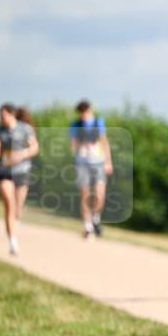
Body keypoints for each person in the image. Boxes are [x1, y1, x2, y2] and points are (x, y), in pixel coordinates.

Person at [0, 103, 39, 254]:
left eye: (3, 116)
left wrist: (22, 155)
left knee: (18, 210)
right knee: (9, 205)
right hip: (4, 171)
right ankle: (12, 241)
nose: (2, 119)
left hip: (22, 171)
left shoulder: (25, 129)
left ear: (12, 115)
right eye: (0, 117)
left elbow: (35, 148)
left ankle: (14, 230)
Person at [69, 101, 112, 239]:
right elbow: (73, 147)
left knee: (100, 195)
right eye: (82, 112)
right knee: (85, 195)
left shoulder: (98, 123)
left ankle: (95, 219)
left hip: (98, 162)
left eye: (86, 111)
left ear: (91, 110)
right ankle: (87, 226)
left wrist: (108, 161)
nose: (84, 114)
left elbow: (104, 142)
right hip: (82, 163)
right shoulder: (76, 126)